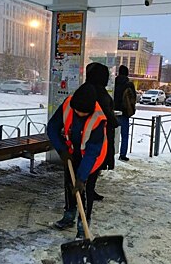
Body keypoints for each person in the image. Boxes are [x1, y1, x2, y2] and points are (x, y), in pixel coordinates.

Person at [47, 83, 107, 239]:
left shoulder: (98, 119)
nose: (79, 114)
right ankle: (69, 215)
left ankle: (83, 225)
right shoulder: (68, 105)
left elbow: (92, 152)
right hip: (72, 152)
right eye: (77, 111)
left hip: (93, 157)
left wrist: (81, 178)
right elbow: (52, 127)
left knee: (84, 189)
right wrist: (62, 149)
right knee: (69, 184)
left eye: (83, 113)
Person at [85, 62, 119, 201]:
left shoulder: (87, 89)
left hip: (90, 132)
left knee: (92, 163)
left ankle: (89, 189)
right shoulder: (99, 92)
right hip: (100, 134)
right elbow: (105, 113)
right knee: (95, 163)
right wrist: (114, 121)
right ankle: (88, 190)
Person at [114, 65, 136, 161]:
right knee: (125, 135)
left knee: (110, 134)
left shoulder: (113, 82)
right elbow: (133, 98)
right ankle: (122, 154)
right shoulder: (129, 84)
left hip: (113, 112)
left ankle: (109, 152)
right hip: (124, 113)